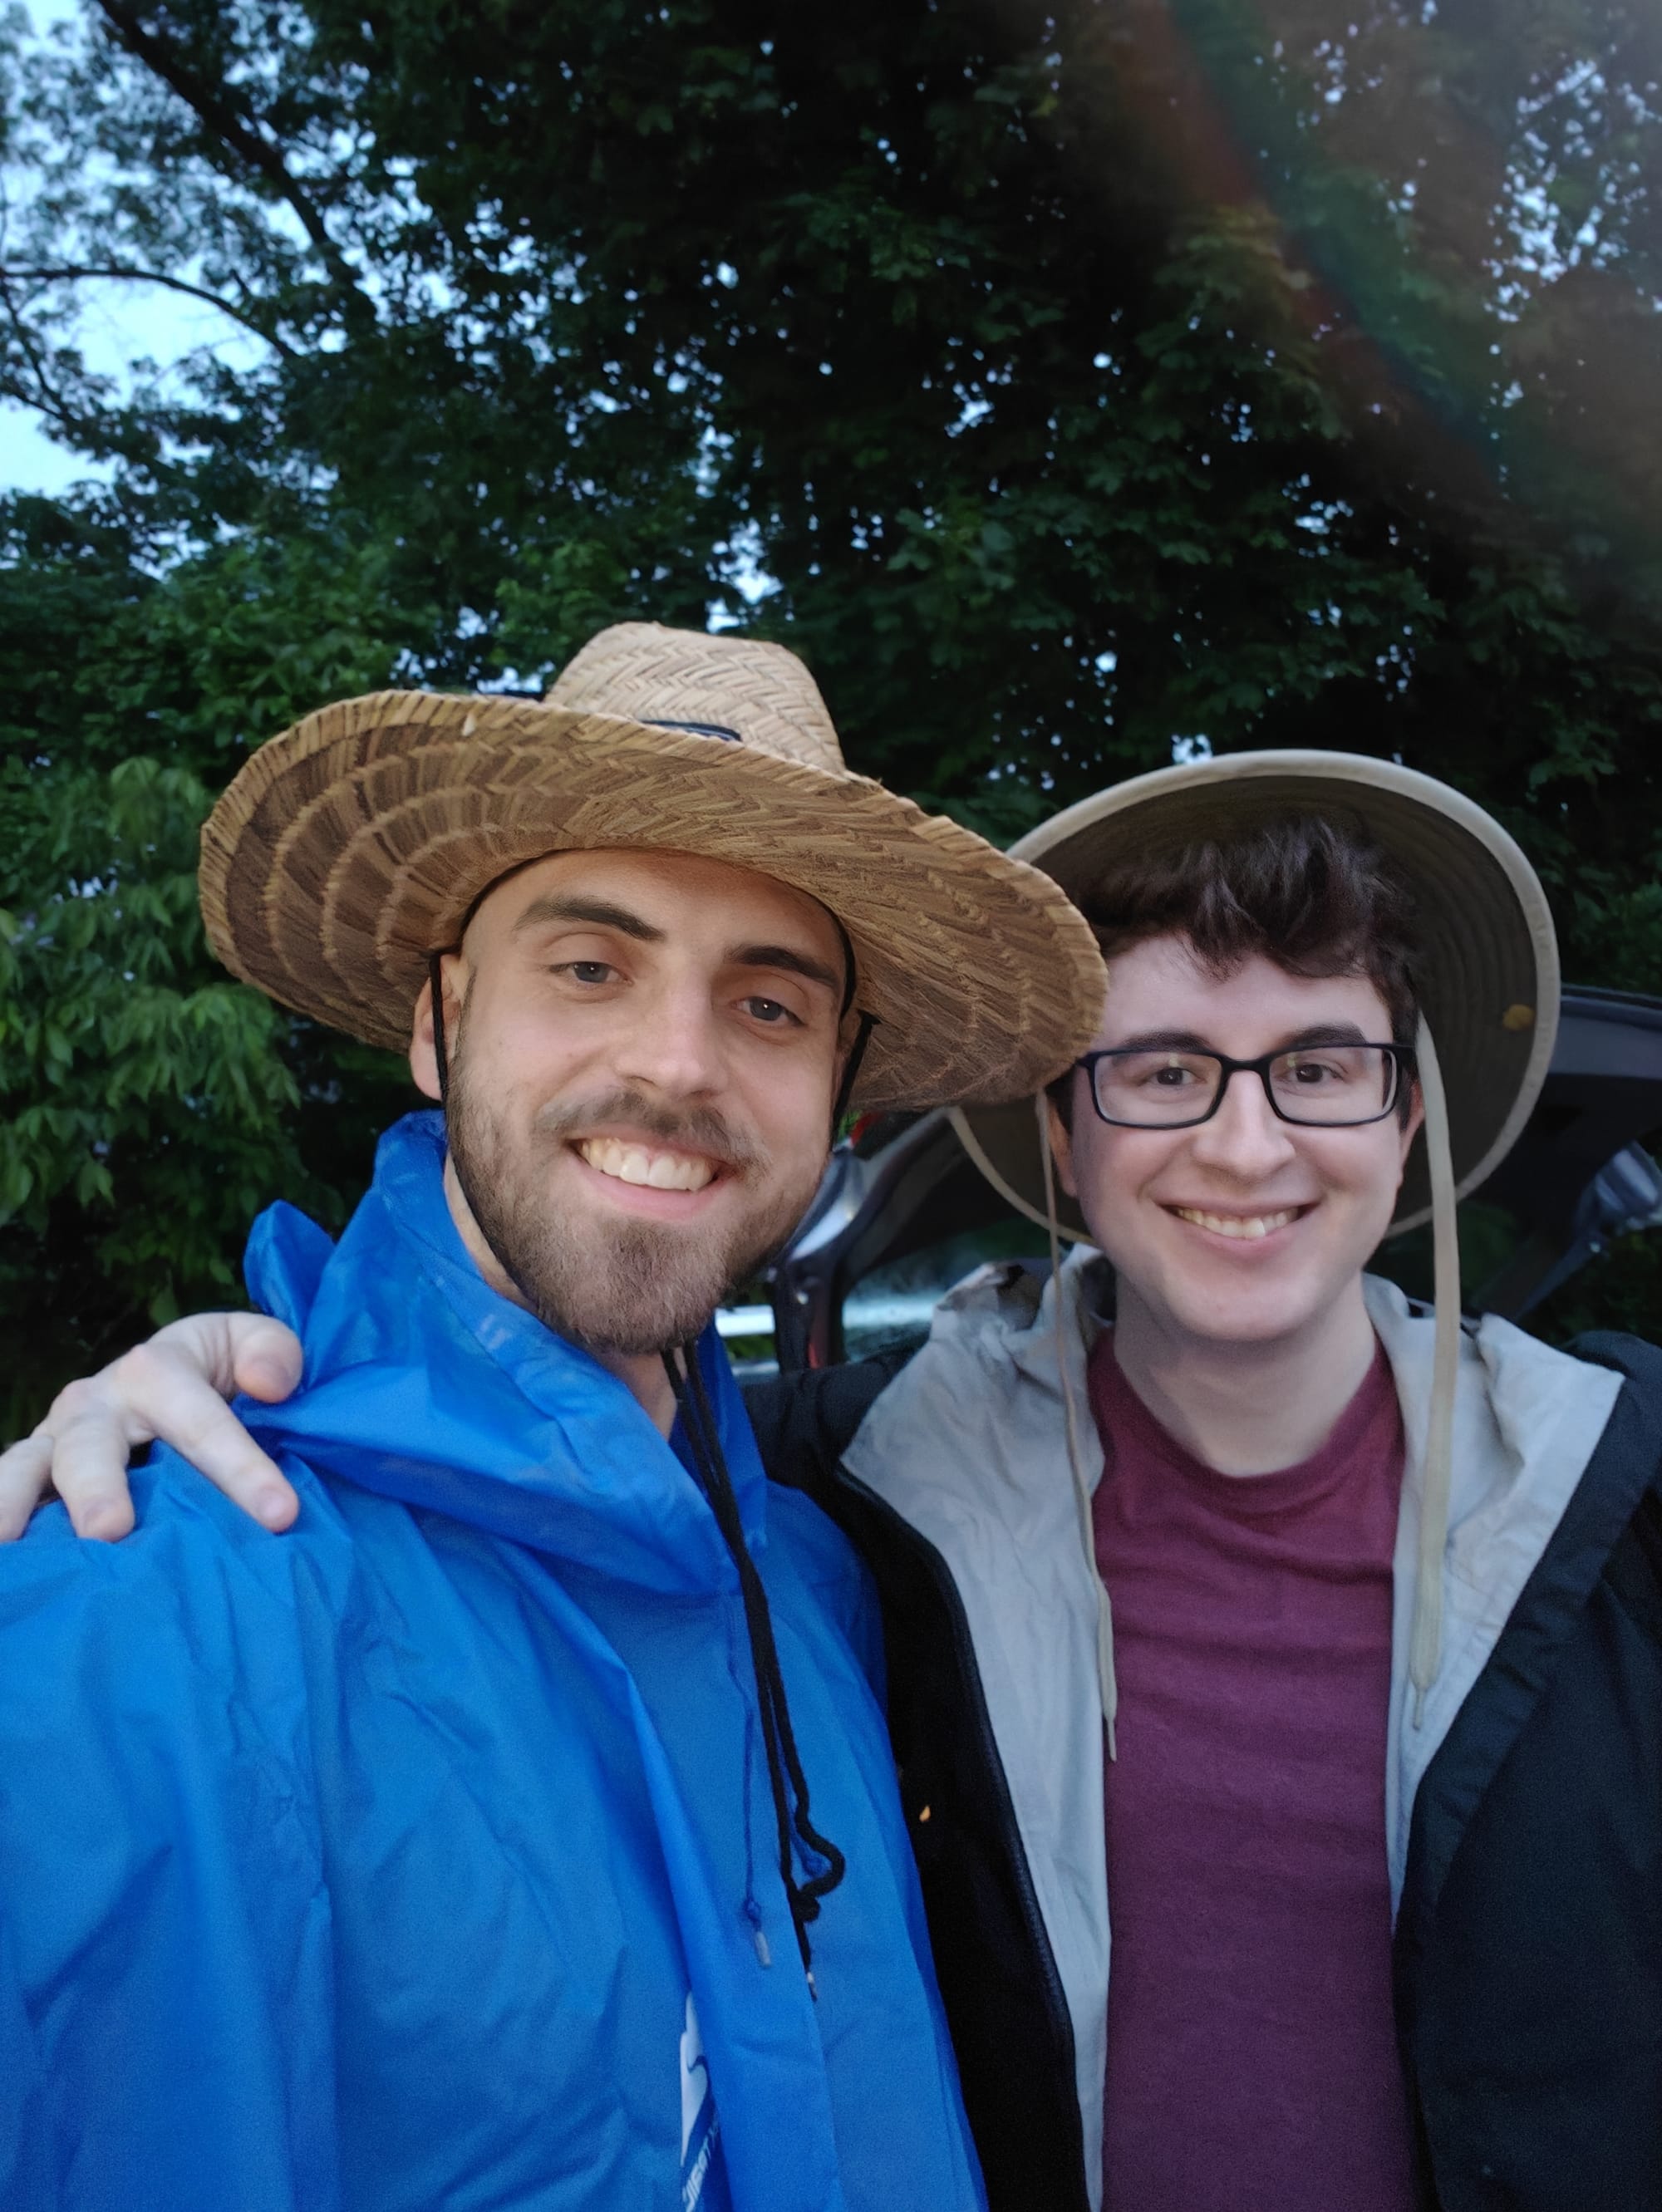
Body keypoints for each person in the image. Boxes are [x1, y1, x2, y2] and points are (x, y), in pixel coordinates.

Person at [12, 751, 1662, 2212]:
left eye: (1316, 1064)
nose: (1244, 1145)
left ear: (1407, 1111)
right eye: (1161, 1070)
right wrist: (183, 1383)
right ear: (1062, 1136)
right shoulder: (874, 1495)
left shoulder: (1621, 1497)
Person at [0, 619, 1109, 2212]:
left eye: (772, 1005)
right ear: (439, 1019)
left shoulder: (829, 1582)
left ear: (843, 1095)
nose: (677, 1063)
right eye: (590, 966)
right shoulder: (138, 1614)